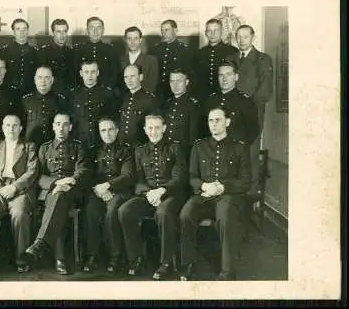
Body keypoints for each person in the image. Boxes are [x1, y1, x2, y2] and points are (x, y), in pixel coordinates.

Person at [178, 107, 251, 281]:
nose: (214, 124)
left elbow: (246, 181)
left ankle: (227, 271)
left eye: (218, 120)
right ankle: (188, 263)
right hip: (204, 196)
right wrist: (204, 186)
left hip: (228, 197)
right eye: (211, 120)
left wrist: (223, 188)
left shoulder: (240, 147)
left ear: (227, 122)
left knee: (226, 217)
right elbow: (192, 177)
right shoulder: (199, 146)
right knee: (185, 214)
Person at [118, 114, 188, 280]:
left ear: (164, 128)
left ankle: (166, 262)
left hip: (171, 195)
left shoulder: (175, 148)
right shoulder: (140, 151)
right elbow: (138, 181)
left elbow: (179, 177)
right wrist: (147, 193)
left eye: (157, 127)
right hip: (148, 195)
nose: (153, 131)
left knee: (163, 213)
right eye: (150, 128)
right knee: (124, 211)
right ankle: (136, 258)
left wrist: (162, 190)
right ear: (144, 129)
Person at [24, 113, 90, 275]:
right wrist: (56, 184)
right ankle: (59, 259)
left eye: (65, 124)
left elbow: (82, 170)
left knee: (59, 199)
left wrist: (69, 182)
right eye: (58, 124)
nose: (61, 128)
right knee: (57, 201)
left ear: (70, 127)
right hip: (51, 191)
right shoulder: (44, 148)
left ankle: (42, 244)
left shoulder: (78, 146)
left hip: (73, 191)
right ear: (53, 126)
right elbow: (38, 176)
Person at [0, 114, 39, 274]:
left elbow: (32, 171)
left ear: (20, 128)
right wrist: (0, 188)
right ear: (3, 128)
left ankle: (21, 259)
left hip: (19, 189)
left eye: (15, 125)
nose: (11, 129)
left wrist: (14, 187)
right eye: (7, 125)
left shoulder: (29, 146)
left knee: (19, 214)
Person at [82, 117, 134, 274]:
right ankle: (92, 255)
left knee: (112, 213)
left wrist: (108, 186)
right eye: (103, 130)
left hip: (120, 191)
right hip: (98, 192)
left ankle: (115, 256)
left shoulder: (126, 150)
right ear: (99, 132)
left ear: (117, 130)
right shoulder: (93, 150)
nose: (107, 133)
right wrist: (98, 190)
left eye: (110, 129)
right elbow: (88, 175)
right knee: (90, 211)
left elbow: (128, 175)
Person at [226, 25, 273, 195]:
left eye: (245, 36)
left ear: (253, 37)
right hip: (230, 114)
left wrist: (245, 105)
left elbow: (265, 91)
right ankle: (231, 195)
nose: (241, 40)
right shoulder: (230, 58)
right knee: (230, 152)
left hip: (251, 113)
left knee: (250, 153)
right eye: (238, 36)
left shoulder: (262, 59)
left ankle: (249, 196)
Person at [205, 61, 260, 146]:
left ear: (236, 77)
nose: (224, 79)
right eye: (221, 75)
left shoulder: (245, 102)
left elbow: (253, 130)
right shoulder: (211, 100)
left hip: (234, 153)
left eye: (228, 74)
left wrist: (240, 150)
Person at [69, 60, 116, 146]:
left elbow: (112, 119)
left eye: (93, 72)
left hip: (101, 142)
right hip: (79, 142)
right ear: (81, 73)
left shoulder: (107, 94)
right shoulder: (73, 94)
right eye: (86, 72)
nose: (90, 76)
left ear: (97, 73)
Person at [21, 66, 68, 147]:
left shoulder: (60, 100)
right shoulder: (25, 100)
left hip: (53, 148)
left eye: (47, 77)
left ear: (52, 80)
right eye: (40, 77)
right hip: (30, 146)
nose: (43, 81)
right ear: (35, 79)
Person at [193, 19, 238, 103]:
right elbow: (195, 78)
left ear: (221, 32)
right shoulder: (199, 53)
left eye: (216, 30)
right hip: (203, 98)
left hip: (225, 97)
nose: (212, 34)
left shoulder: (232, 51)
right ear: (206, 33)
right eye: (209, 31)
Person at [152, 19, 195, 101]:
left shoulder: (185, 50)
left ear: (175, 30)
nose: (163, 33)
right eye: (162, 30)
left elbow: (190, 75)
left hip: (176, 92)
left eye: (166, 30)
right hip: (159, 93)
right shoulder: (156, 50)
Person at [118, 64, 159, 146]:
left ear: (140, 77)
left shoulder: (150, 99)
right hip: (122, 148)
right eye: (126, 77)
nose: (129, 80)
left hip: (140, 147)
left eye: (132, 76)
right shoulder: (122, 98)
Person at [74, 16, 118, 91]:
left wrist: (108, 89)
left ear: (103, 30)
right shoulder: (78, 50)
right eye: (92, 28)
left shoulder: (110, 50)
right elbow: (74, 73)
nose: (95, 31)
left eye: (99, 28)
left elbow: (115, 74)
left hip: (105, 91)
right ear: (87, 30)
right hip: (83, 91)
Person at [163, 68, 201, 156]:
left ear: (186, 82)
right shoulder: (167, 104)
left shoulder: (193, 105)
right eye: (172, 81)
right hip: (166, 152)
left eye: (179, 81)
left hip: (183, 153)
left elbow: (193, 135)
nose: (175, 85)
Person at [36, 19, 76, 97]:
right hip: (51, 94)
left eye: (64, 31)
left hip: (69, 94)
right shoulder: (43, 52)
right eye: (58, 32)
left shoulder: (72, 52)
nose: (62, 35)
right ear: (53, 33)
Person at [2, 18, 37, 95]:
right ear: (13, 32)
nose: (22, 32)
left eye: (25, 29)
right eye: (18, 29)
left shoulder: (35, 52)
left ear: (28, 31)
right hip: (9, 92)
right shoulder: (4, 52)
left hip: (30, 93)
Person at [119, 26, 159, 95]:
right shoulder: (120, 59)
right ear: (126, 40)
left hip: (144, 100)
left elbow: (152, 86)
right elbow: (119, 85)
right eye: (129, 39)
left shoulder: (151, 60)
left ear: (140, 40)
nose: (132, 42)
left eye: (135, 38)